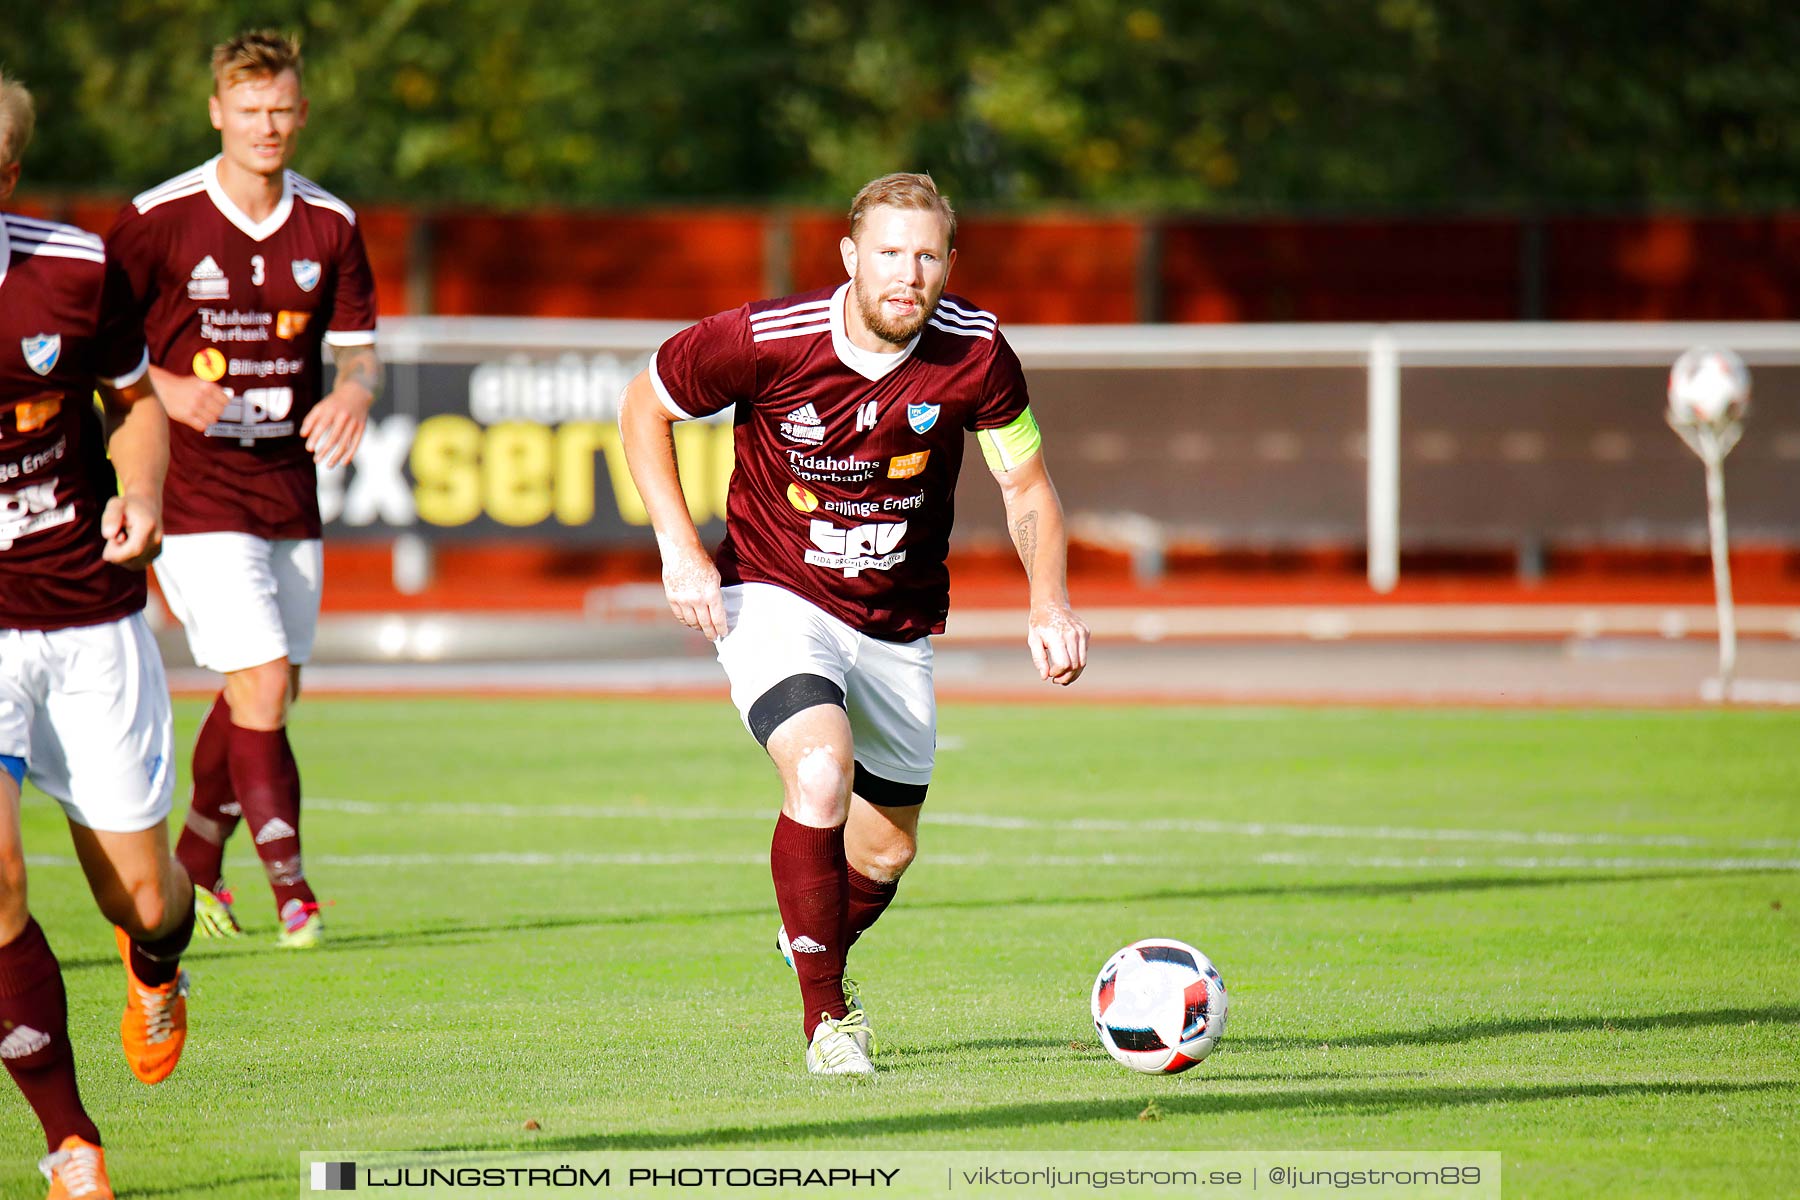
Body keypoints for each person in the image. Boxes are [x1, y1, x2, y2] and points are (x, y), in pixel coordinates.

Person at [619, 172, 1089, 1076]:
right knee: (821, 767)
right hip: (773, 592)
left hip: (896, 622)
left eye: (924, 255)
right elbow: (646, 405)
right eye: (887, 253)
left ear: (949, 264)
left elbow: (1024, 484)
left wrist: (1048, 601)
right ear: (849, 259)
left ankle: (812, 937)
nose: (905, 274)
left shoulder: (978, 353)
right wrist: (680, 549)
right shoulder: (766, 338)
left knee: (887, 848)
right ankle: (828, 1022)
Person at [106, 31, 380, 948]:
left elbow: (362, 356)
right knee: (259, 682)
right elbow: (96, 349)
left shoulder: (329, 225)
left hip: (285, 485)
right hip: (191, 487)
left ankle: (196, 864)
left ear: (302, 113)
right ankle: (294, 893)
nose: (267, 127)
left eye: (282, 110)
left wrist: (351, 391)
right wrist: (163, 387)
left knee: (269, 689)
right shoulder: (159, 218)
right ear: (217, 111)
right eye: (249, 110)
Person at [0, 69, 196, 1200]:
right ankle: (71, 1137)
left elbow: (139, 407)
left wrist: (144, 495)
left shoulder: (73, 271)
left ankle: (157, 961)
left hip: (85, 616)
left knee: (141, 896)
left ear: (10, 174)